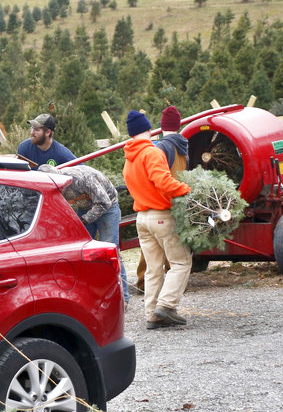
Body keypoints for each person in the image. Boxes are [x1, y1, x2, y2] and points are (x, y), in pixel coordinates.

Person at [122, 110, 192, 330]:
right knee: (181, 262)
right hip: (161, 216)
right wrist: (187, 189)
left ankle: (152, 314)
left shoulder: (129, 158)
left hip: (141, 218)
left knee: (153, 269)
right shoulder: (151, 153)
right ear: (150, 130)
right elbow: (163, 182)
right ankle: (166, 305)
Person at [38, 163, 129, 303]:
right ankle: (91, 295)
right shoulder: (51, 187)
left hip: (107, 206)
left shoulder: (82, 179)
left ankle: (123, 298)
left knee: (110, 250)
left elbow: (104, 203)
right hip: (85, 207)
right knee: (81, 251)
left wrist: (85, 220)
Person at [135, 105, 189, 292]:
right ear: (179, 124)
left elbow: (159, 178)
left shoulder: (162, 147)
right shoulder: (183, 144)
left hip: (161, 202)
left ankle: (143, 283)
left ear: (161, 124)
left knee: (151, 252)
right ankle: (172, 285)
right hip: (178, 199)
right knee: (174, 249)